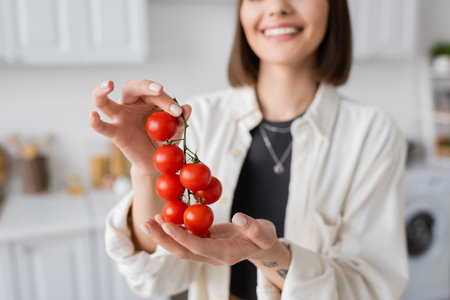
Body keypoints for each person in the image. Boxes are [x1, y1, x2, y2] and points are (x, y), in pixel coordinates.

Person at [89, 0, 409, 299]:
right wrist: (147, 171)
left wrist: (266, 252)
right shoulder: (193, 121)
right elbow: (155, 278)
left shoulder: (372, 133)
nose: (276, 8)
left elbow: (369, 288)